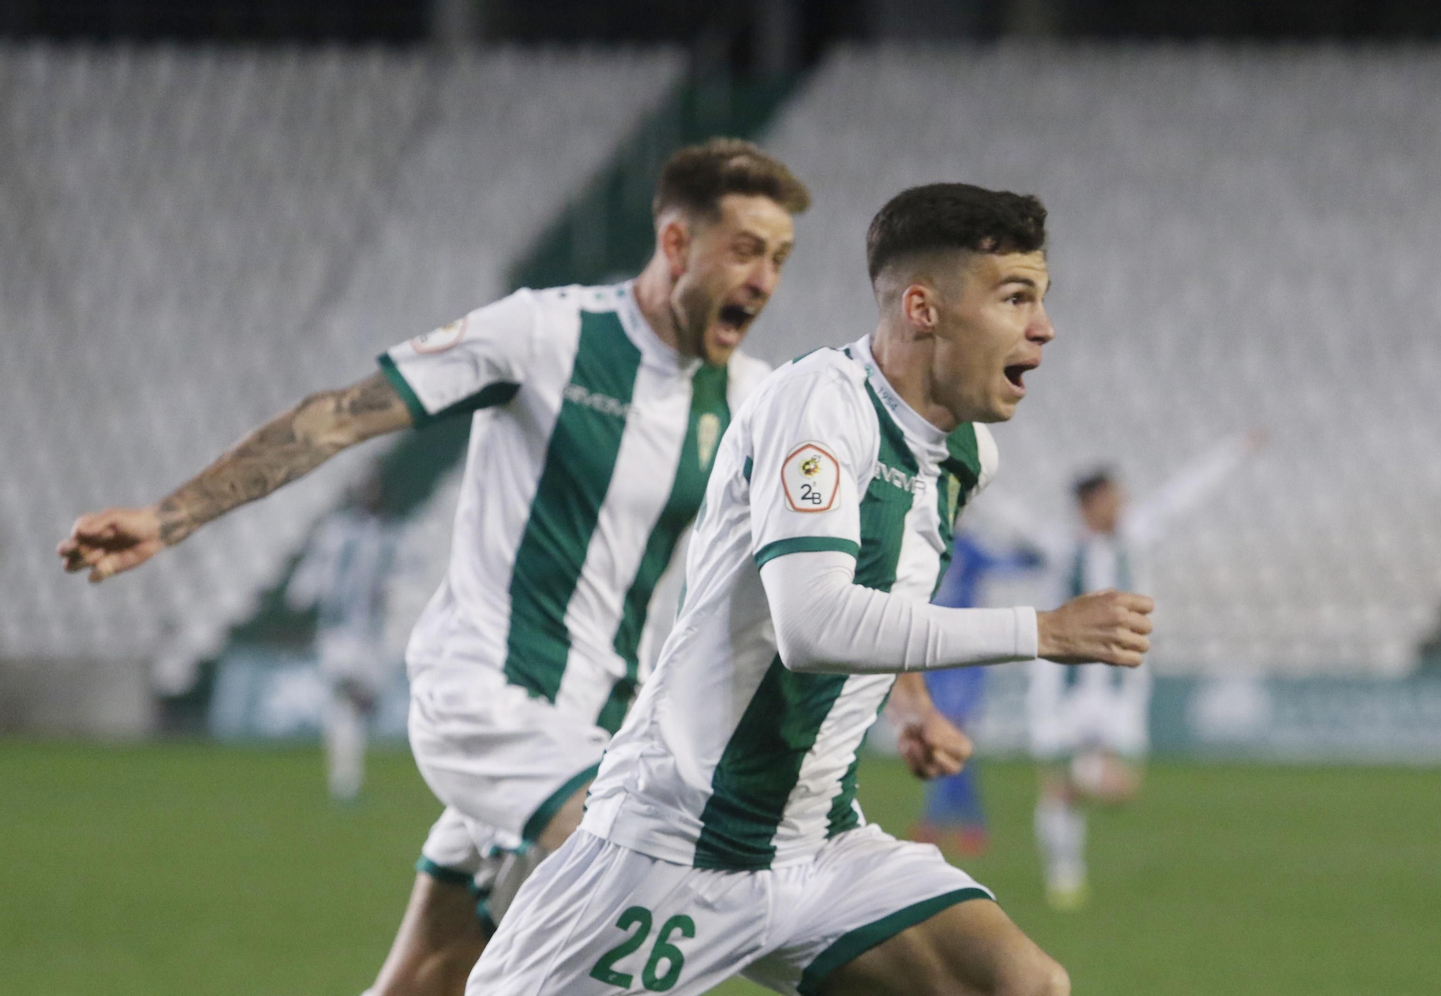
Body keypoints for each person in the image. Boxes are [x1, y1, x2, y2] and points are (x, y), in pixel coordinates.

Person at [57, 139, 809, 996]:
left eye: (780, 259)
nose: (765, 280)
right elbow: (341, 416)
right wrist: (170, 514)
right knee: (641, 873)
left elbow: (814, 565)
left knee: (430, 975)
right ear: (676, 244)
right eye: (745, 250)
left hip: (599, 731)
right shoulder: (544, 333)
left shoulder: (754, 398)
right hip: (486, 699)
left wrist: (907, 695)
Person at [464, 183, 1155, 996]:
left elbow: (878, 585)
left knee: (1020, 985)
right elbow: (812, 620)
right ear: (924, 309)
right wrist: (1041, 630)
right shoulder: (817, 404)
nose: (1043, 327)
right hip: (677, 837)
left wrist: (912, 702)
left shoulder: (964, 455)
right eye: (1016, 298)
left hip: (818, 847)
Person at [1029, 432, 1264, 910]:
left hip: (1121, 686)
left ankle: (1076, 782)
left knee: (1117, 788)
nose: (1123, 503)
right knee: (1064, 786)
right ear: (1090, 502)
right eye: (1114, 495)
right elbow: (1000, 512)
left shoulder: (1134, 536)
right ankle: (1065, 873)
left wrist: (1234, 451)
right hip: (1067, 688)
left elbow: (1184, 496)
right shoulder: (1057, 545)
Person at [911, 532, 1039, 855]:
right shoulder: (917, 543)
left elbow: (1002, 565)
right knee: (937, 737)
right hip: (930, 655)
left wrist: (1026, 559)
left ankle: (954, 823)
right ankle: (958, 823)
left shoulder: (964, 547)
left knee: (950, 734)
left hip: (964, 657)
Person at [284, 473, 404, 801]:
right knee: (345, 702)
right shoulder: (342, 533)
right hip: (339, 635)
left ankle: (347, 771)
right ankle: (345, 781)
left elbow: (401, 585)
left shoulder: (387, 536)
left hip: (369, 637)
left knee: (363, 704)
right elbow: (309, 579)